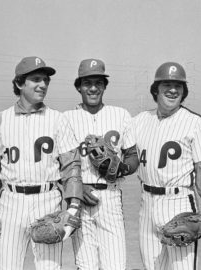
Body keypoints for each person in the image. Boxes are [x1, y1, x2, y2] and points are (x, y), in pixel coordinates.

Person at [0, 56, 83, 270]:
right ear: (20, 83)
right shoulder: (1, 119)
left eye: (46, 80)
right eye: (36, 79)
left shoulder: (57, 119)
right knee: (9, 266)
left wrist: (74, 206)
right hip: (11, 201)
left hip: (47, 200)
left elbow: (71, 166)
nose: (43, 85)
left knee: (50, 267)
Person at [132, 62, 201, 270]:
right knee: (151, 266)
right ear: (156, 90)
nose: (173, 90)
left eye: (178, 86)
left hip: (179, 203)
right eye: (167, 85)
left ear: (184, 92)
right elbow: (125, 156)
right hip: (146, 203)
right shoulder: (139, 121)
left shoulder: (194, 122)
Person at [64, 59, 139, 270]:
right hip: (79, 199)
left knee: (115, 264)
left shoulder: (121, 115)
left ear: (105, 86)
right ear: (79, 86)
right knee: (85, 265)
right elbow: (60, 164)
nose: (93, 88)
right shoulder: (67, 118)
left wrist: (123, 168)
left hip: (111, 196)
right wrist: (76, 187)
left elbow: (133, 155)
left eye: (99, 82)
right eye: (87, 83)